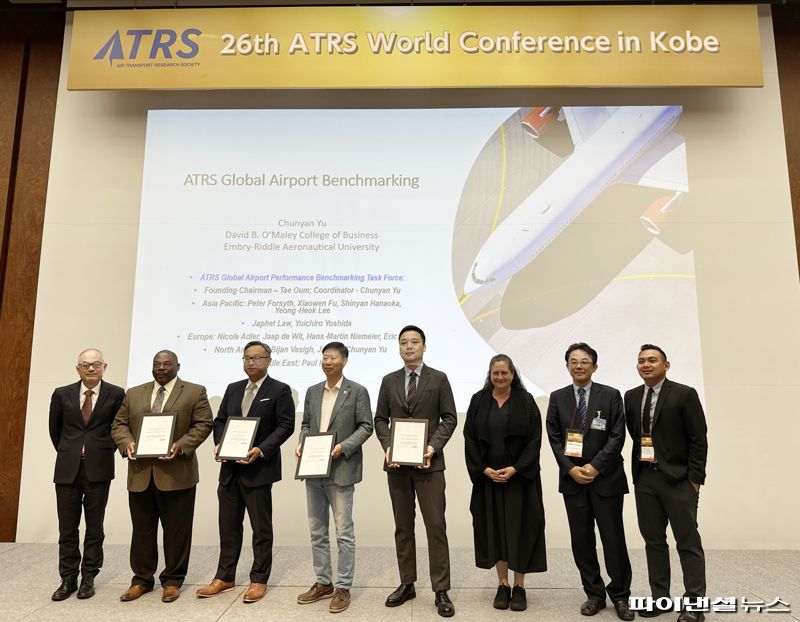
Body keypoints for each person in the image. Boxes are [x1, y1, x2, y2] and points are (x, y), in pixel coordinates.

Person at [196, 340, 294, 604]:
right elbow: (220, 421)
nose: (251, 362)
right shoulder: (233, 388)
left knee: (261, 529)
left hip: (258, 470)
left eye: (257, 358)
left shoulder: (280, 390)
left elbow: (285, 426)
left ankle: (259, 579)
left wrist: (261, 449)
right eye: (247, 358)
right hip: (229, 470)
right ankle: (224, 577)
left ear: (269, 361)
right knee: (228, 526)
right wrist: (219, 443)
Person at [111, 349, 213, 603]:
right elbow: (119, 424)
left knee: (177, 531)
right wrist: (127, 444)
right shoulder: (134, 393)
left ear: (178, 365)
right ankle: (142, 579)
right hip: (141, 474)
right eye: (156, 364)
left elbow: (204, 423)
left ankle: (173, 580)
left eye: (167, 364)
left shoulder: (194, 391)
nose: (161, 368)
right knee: (142, 530)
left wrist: (181, 445)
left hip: (177, 473)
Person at [374, 325, 457, 618]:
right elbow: (380, 419)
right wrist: (388, 445)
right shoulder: (388, 380)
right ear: (399, 347)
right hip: (396, 466)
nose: (409, 346)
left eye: (415, 342)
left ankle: (441, 590)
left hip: (429, 465)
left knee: (435, 526)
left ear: (424, 346)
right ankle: (407, 583)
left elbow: (449, 418)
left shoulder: (439, 378)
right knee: (402, 526)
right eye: (404, 342)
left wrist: (432, 448)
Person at [545, 343, 633, 620]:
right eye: (573, 361)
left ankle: (620, 596)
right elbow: (554, 437)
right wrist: (571, 469)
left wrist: (595, 467)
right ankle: (594, 594)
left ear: (594, 366)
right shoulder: (558, 398)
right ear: (567, 366)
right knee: (581, 540)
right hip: (573, 481)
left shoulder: (610, 395)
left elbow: (618, 435)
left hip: (605, 479)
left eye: (585, 361)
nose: (579, 365)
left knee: (613, 539)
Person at [624, 345, 708, 622]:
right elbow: (637, 436)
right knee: (654, 541)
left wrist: (695, 480)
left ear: (666, 365)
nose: (646, 365)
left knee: (687, 542)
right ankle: (660, 599)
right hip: (646, 479)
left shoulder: (684, 394)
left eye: (652, 360)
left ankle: (695, 606)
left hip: (678, 480)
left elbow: (698, 438)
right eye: (641, 361)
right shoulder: (632, 396)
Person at [294, 342, 373, 614]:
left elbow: (366, 426)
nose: (327, 361)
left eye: (333, 357)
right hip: (313, 469)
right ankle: (323, 582)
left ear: (345, 360)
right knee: (317, 531)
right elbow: (306, 425)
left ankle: (343, 587)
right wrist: (302, 443)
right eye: (324, 357)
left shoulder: (357, 391)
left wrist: (345, 447)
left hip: (341, 468)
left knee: (344, 532)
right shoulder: (312, 392)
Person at [464, 353, 546, 612]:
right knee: (495, 529)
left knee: (521, 529)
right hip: (488, 480)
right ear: (490, 375)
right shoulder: (478, 401)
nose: (500, 377)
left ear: (513, 375)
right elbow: (470, 440)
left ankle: (520, 586)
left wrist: (516, 468)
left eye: (505, 373)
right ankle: (502, 584)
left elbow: (535, 440)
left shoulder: (526, 400)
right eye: (495, 373)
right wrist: (484, 469)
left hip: (520, 480)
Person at [48, 348, 125, 601]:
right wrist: (72, 451)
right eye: (85, 364)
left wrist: (98, 451)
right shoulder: (62, 394)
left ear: (105, 366)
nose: (91, 368)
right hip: (67, 469)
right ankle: (68, 577)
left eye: (96, 364)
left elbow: (118, 429)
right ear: (77, 368)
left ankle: (89, 576)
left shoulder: (116, 394)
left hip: (98, 468)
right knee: (67, 527)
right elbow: (55, 431)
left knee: (95, 527)